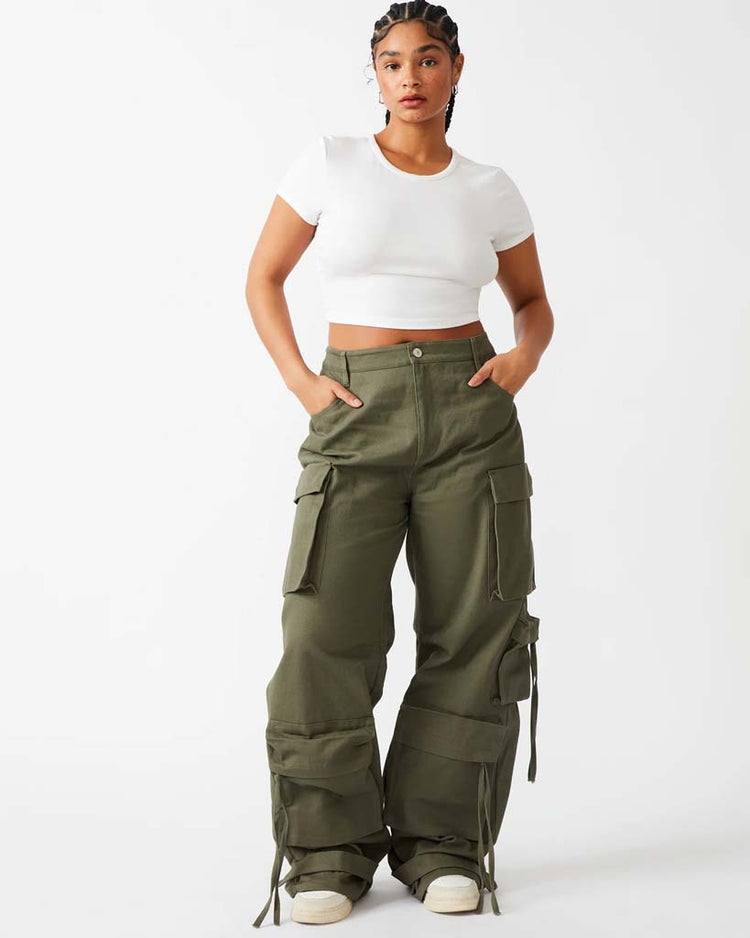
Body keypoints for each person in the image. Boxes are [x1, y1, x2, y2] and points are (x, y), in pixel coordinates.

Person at [245, 1, 553, 927]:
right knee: (322, 630)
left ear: (456, 69)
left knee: (475, 626)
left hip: (469, 411)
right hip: (353, 408)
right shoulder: (331, 162)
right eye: (390, 62)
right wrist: (304, 383)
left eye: (426, 59)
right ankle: (326, 853)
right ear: (375, 75)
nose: (409, 77)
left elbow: (532, 302)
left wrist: (523, 358)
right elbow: (263, 278)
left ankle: (444, 843)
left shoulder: (488, 187)